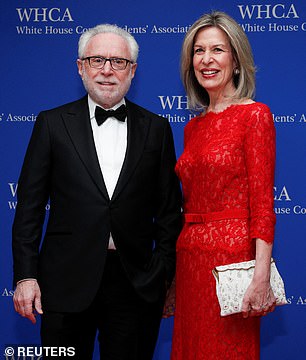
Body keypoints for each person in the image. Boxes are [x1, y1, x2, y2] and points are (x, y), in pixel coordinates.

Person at [12, 24, 182, 360]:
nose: (106, 70)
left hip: (135, 285)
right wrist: (26, 276)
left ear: (132, 71)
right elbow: (29, 209)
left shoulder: (158, 128)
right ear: (80, 67)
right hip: (63, 285)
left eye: (118, 62)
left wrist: (162, 274)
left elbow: (169, 211)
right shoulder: (51, 124)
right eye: (96, 60)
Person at [170, 11, 276, 359]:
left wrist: (260, 276)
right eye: (198, 51)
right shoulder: (192, 127)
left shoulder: (255, 116)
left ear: (235, 59)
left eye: (217, 49)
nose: (206, 60)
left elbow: (262, 206)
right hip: (189, 261)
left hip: (232, 266)